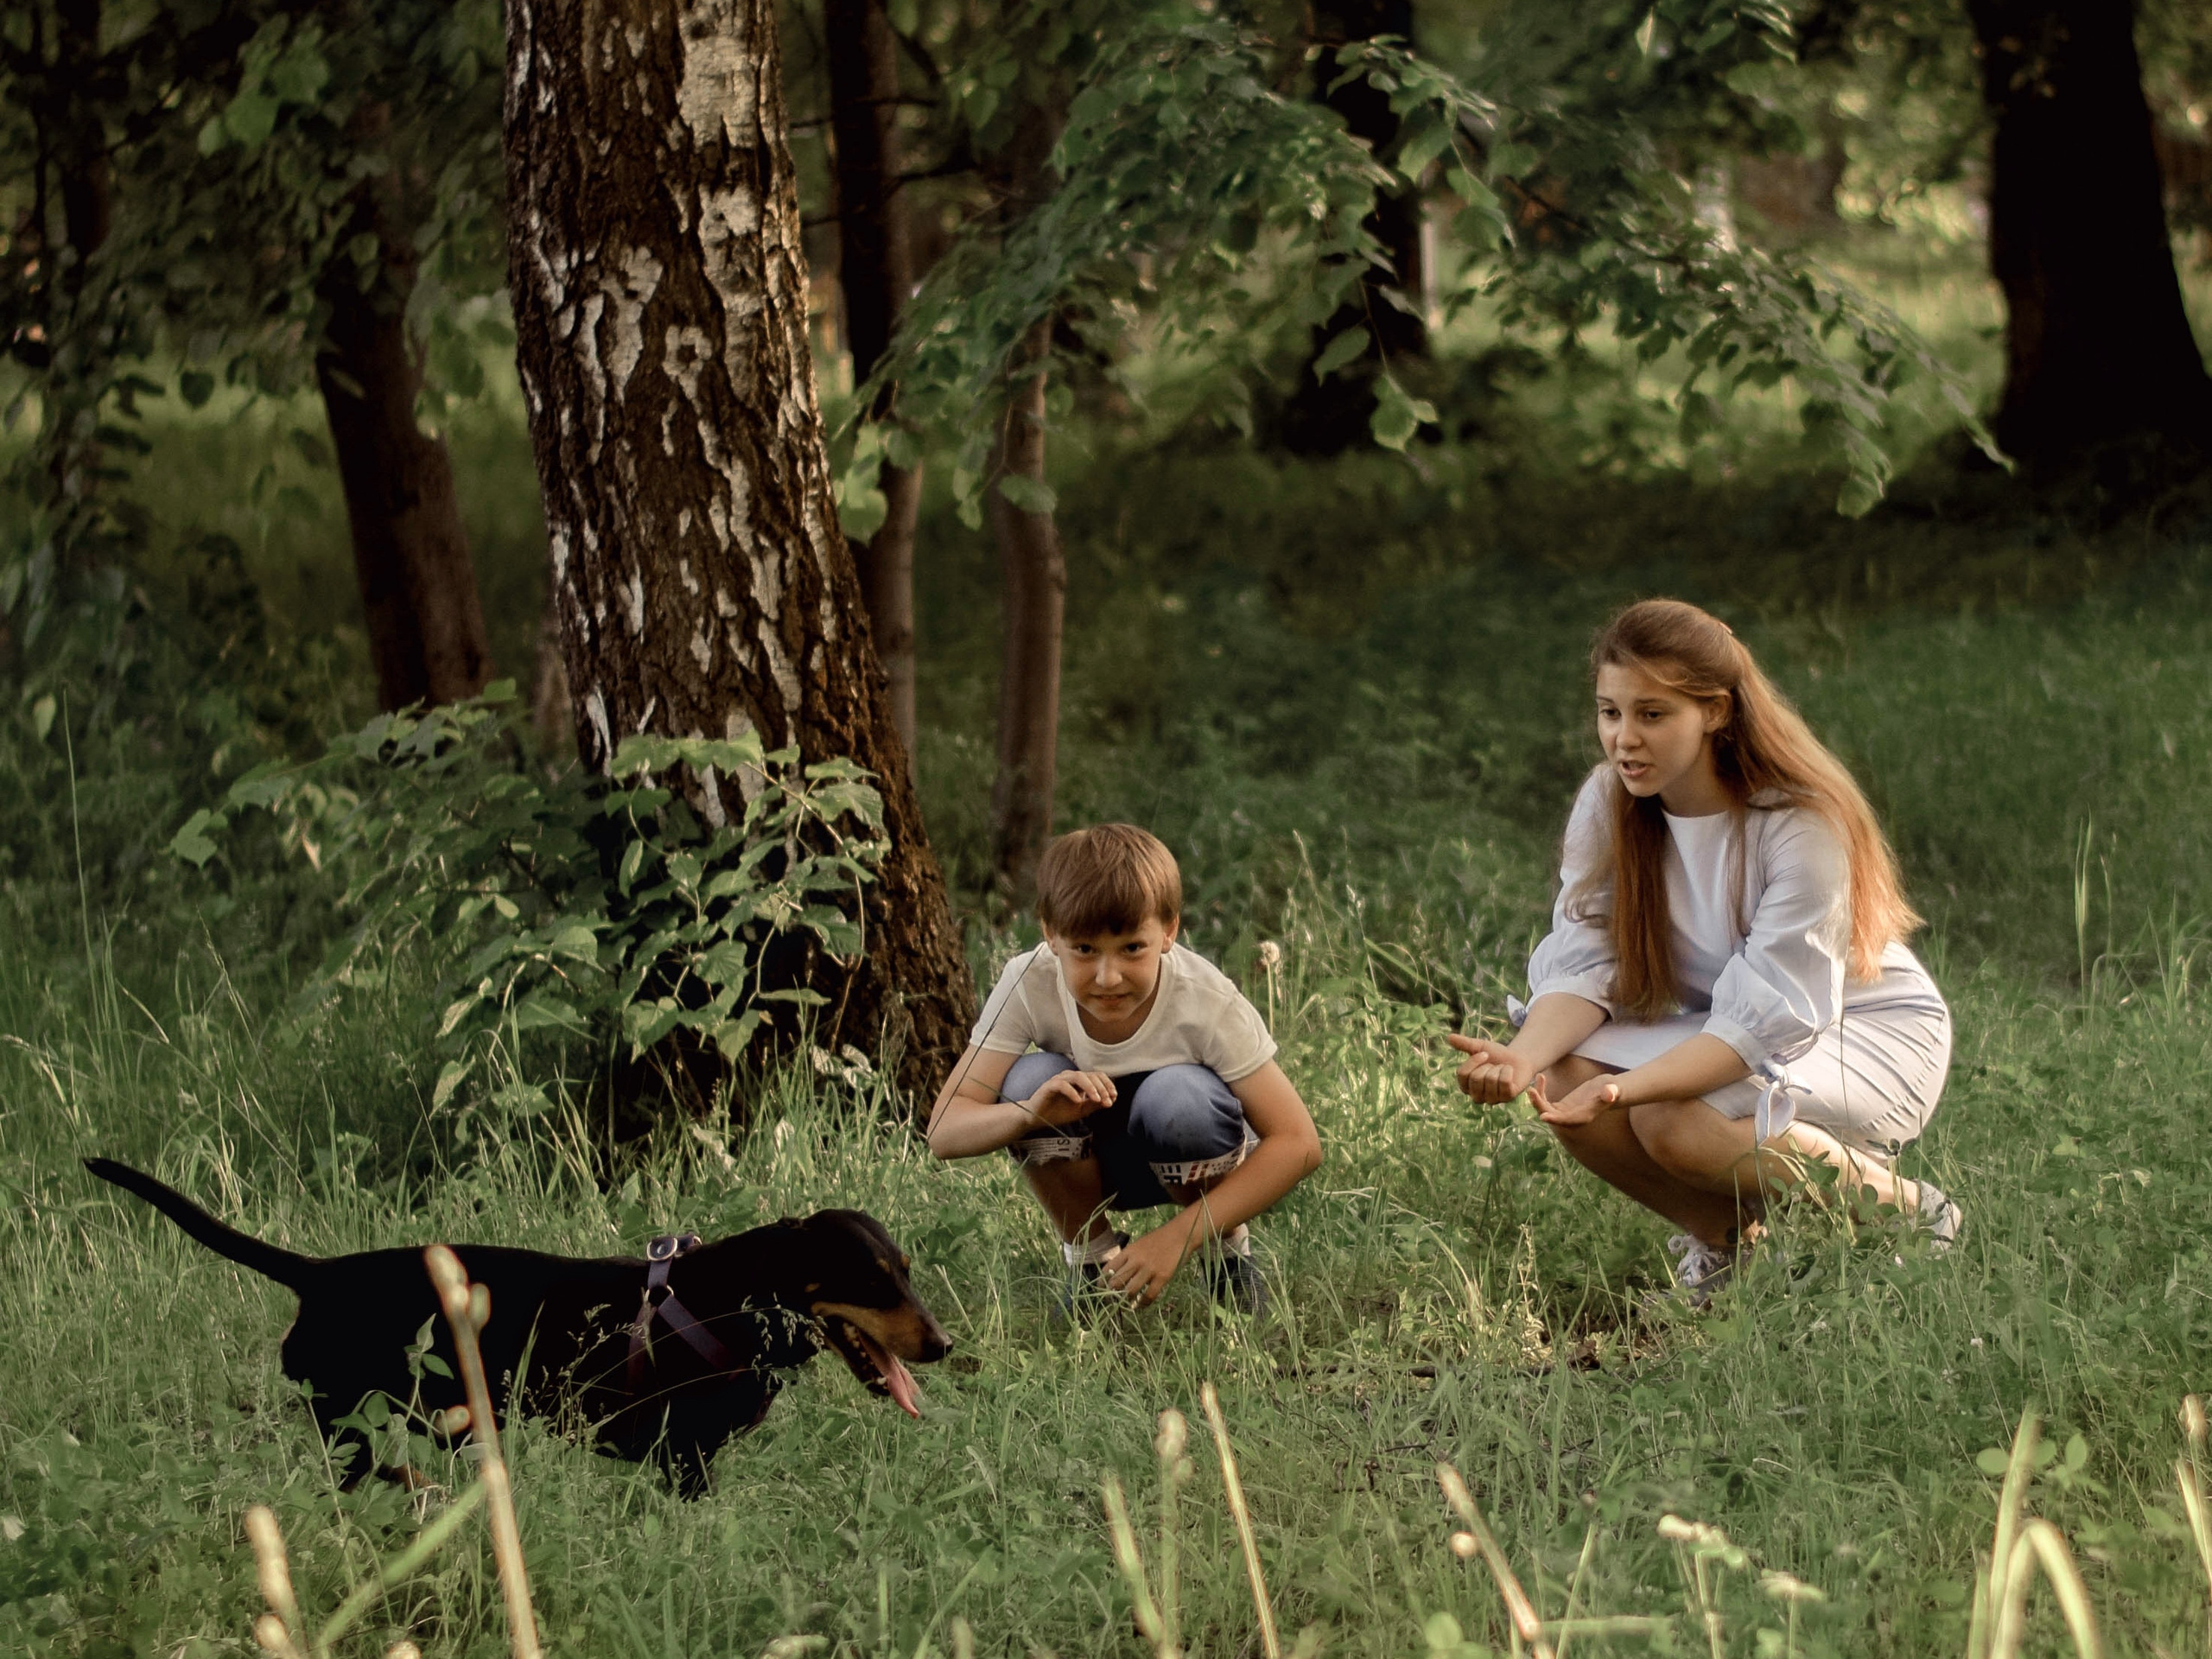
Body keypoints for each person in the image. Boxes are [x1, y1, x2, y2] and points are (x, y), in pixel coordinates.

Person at [1447, 599, 1957, 1298]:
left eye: (1653, 715)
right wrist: (1521, 1057)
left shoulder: (1799, 824)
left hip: (1853, 1027)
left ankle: (1909, 1211)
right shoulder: (1610, 800)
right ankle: (1734, 1253)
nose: (1624, 739)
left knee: (1671, 1118)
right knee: (1559, 1079)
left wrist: (1625, 1086)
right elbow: (1589, 962)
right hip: (1724, 1016)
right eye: (1610, 712)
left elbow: (1764, 1021)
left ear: (1715, 712)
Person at [926, 824, 1323, 1313]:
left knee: (1177, 1098)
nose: (1107, 977)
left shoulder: (1205, 998)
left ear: (1169, 932)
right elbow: (944, 1131)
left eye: (1132, 947)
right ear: (1051, 935)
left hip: (1198, 1155)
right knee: (1030, 1080)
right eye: (1085, 950)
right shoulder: (1028, 981)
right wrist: (1029, 1114)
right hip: (1091, 1160)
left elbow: (1299, 1143)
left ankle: (1225, 1254)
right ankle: (1093, 1266)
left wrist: (1178, 1238)